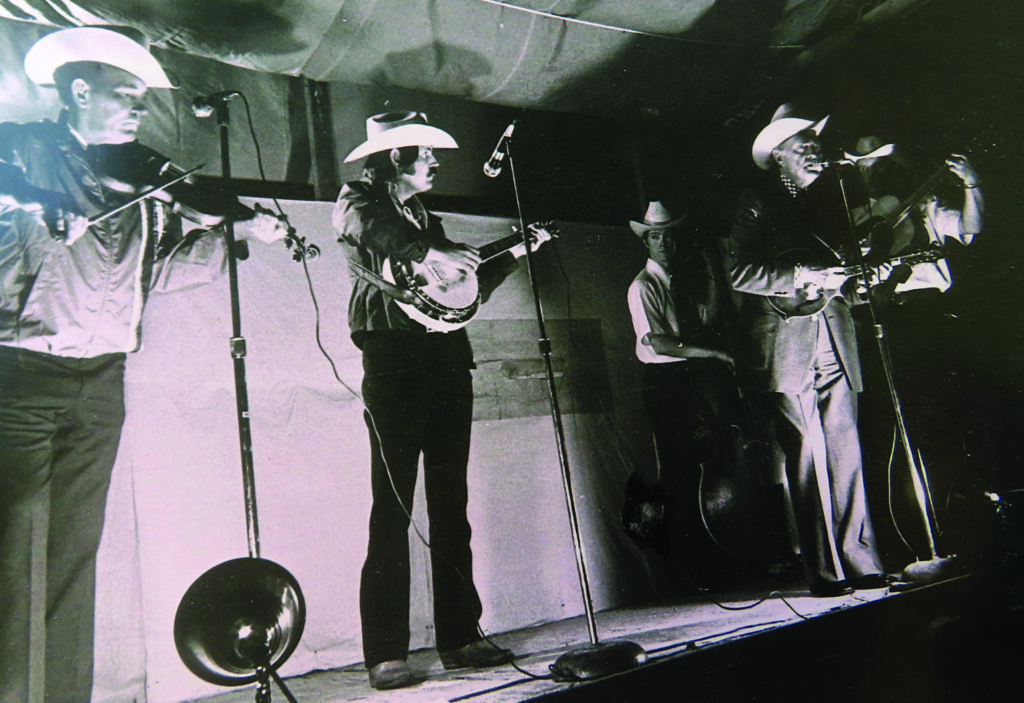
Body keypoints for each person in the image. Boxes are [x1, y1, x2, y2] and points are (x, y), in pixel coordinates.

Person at [0, 26, 288, 703]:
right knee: (13, 553)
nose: (137, 109)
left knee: (74, 555)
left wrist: (236, 234)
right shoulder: (25, 148)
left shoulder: (144, 175)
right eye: (125, 94)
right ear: (79, 90)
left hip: (101, 380)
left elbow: (155, 273)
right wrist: (40, 202)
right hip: (20, 376)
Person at [332, 111, 539, 690]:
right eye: (426, 154)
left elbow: (460, 290)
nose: (435, 163)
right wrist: (427, 253)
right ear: (394, 157)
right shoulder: (358, 202)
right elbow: (377, 233)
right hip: (394, 358)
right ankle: (385, 652)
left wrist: (515, 253)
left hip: (447, 359)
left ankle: (461, 637)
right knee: (392, 506)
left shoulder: (428, 219)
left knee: (451, 502)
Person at [723, 104, 898, 597]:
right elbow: (740, 272)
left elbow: (846, 276)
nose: (816, 155)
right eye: (805, 148)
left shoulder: (831, 203)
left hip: (835, 335)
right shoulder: (755, 200)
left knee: (846, 448)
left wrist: (862, 280)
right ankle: (824, 571)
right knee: (807, 453)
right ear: (779, 157)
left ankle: (861, 561)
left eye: (818, 147)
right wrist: (802, 275)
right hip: (785, 342)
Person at [625, 200, 739, 590]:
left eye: (670, 237)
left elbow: (705, 319)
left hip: (686, 379)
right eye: (656, 237)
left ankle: (704, 556)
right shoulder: (644, 286)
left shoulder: (677, 279)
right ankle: (684, 569)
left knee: (697, 469)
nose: (664, 244)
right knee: (678, 474)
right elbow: (661, 344)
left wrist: (711, 276)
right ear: (647, 243)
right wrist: (716, 353)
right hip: (665, 382)